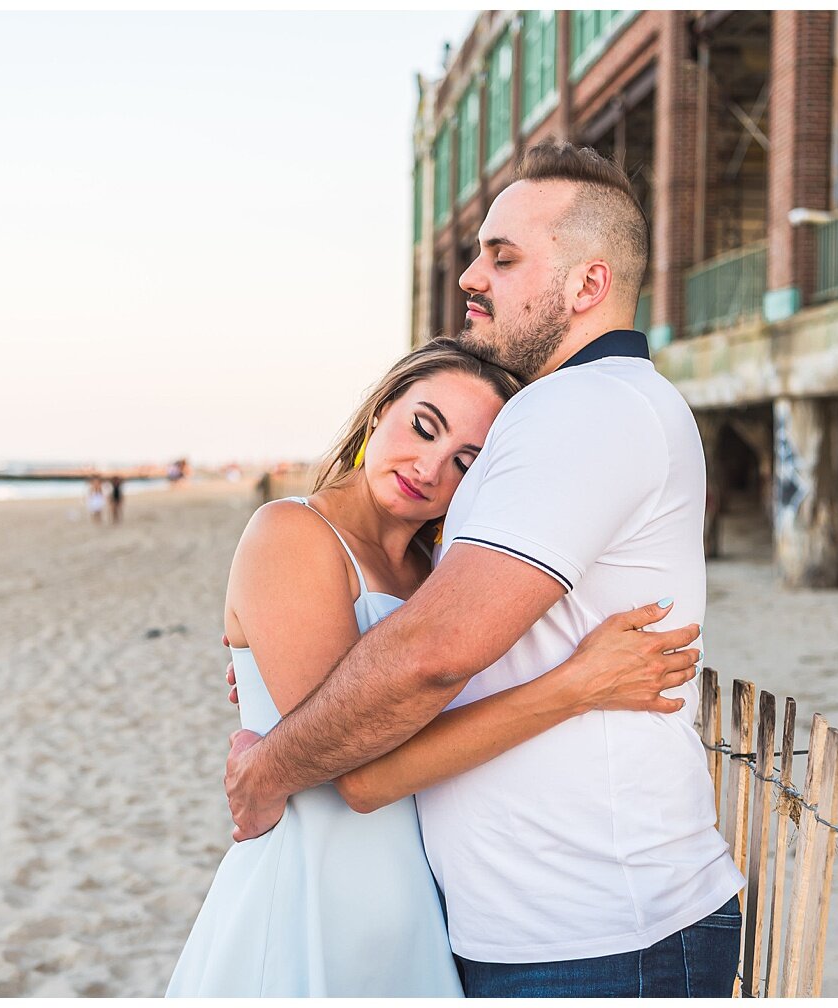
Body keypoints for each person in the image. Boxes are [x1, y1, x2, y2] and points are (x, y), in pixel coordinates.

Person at [223, 141, 744, 998]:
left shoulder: (585, 408)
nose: (470, 276)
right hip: (525, 929)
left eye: (502, 258)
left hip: (600, 935)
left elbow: (434, 655)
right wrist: (284, 673)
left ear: (587, 286)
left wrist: (273, 761)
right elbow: (425, 639)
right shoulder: (566, 413)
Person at [167, 338, 700, 997]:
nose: (429, 466)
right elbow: (359, 776)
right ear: (379, 412)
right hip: (311, 884)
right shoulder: (291, 533)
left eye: (464, 462)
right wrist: (575, 687)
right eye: (423, 426)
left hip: (418, 905)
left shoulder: (440, 579)